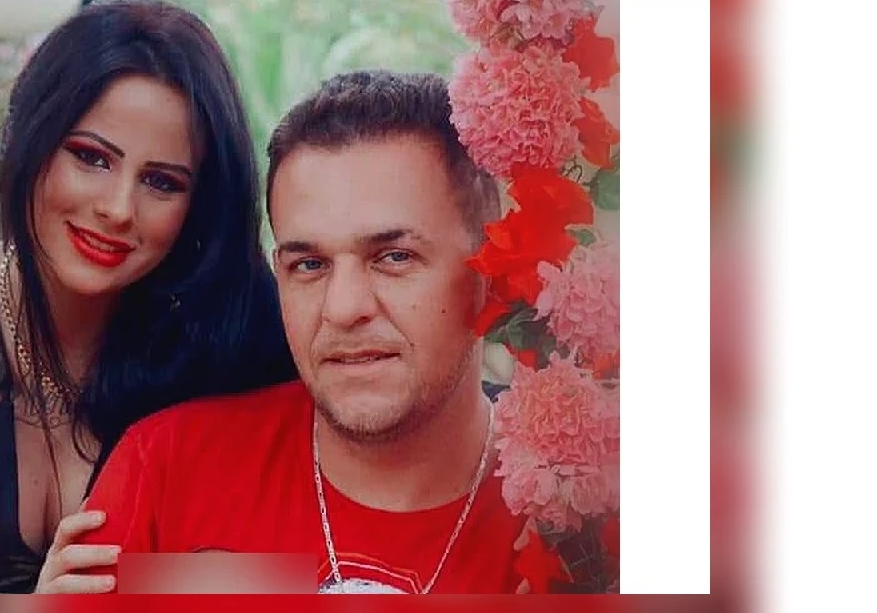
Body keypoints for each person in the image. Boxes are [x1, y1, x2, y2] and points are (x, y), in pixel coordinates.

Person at [0, 0, 297, 593]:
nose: (118, 209)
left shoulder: (229, 353)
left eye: (161, 182)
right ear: (32, 140)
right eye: (91, 158)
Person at [41, 70, 529, 594]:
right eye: (309, 265)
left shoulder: (568, 520)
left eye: (394, 257)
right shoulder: (169, 474)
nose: (342, 309)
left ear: (492, 269)